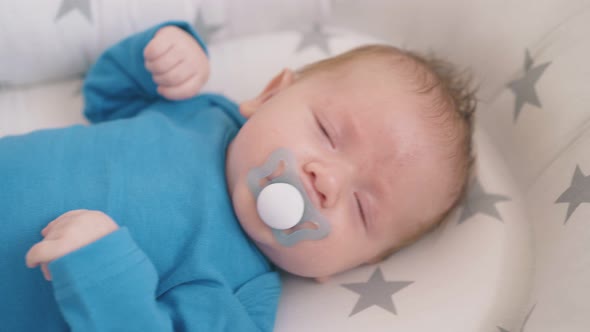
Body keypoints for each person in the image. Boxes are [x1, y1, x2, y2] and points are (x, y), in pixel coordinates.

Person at [0, 20, 476, 331]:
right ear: (269, 95)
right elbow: (106, 98)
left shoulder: (240, 294)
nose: (327, 180)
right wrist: (159, 58)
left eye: (361, 207)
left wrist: (104, 273)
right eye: (328, 132)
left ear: (342, 269)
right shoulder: (203, 112)